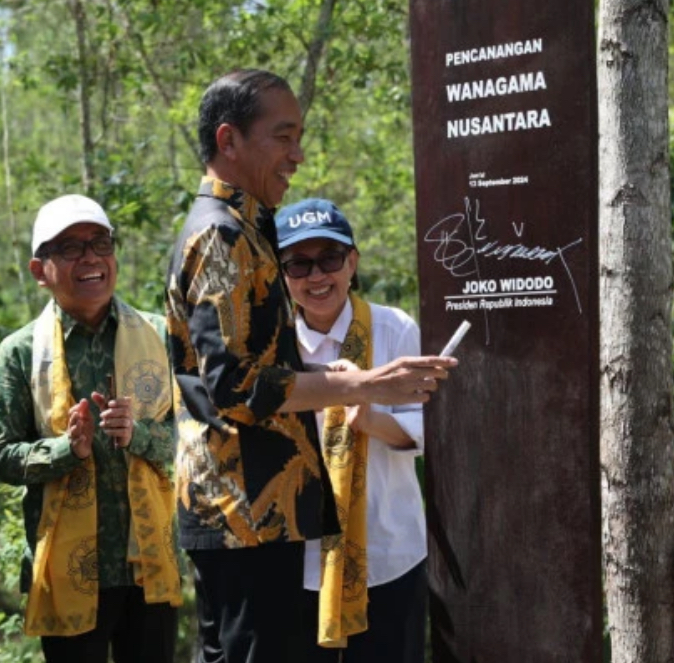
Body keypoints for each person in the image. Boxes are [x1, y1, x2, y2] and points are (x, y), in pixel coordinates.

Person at [165, 69, 457, 663]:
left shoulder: (250, 229)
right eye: (282, 137)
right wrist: (367, 383)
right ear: (230, 141)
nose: (297, 155)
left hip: (270, 520)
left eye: (330, 259)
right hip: (242, 514)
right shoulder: (221, 237)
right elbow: (235, 386)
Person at [0, 194, 180, 663]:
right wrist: (64, 450)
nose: (90, 258)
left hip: (148, 565)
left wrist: (141, 435)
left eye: (100, 243)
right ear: (39, 270)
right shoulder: (20, 352)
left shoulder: (161, 336)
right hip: (67, 571)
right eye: (70, 249)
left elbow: (196, 441)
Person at [276, 198, 430, 661]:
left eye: (330, 259)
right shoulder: (274, 347)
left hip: (390, 550)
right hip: (301, 559)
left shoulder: (393, 329)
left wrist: (372, 419)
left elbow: (431, 428)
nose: (316, 277)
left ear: (353, 262)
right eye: (298, 264)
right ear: (281, 274)